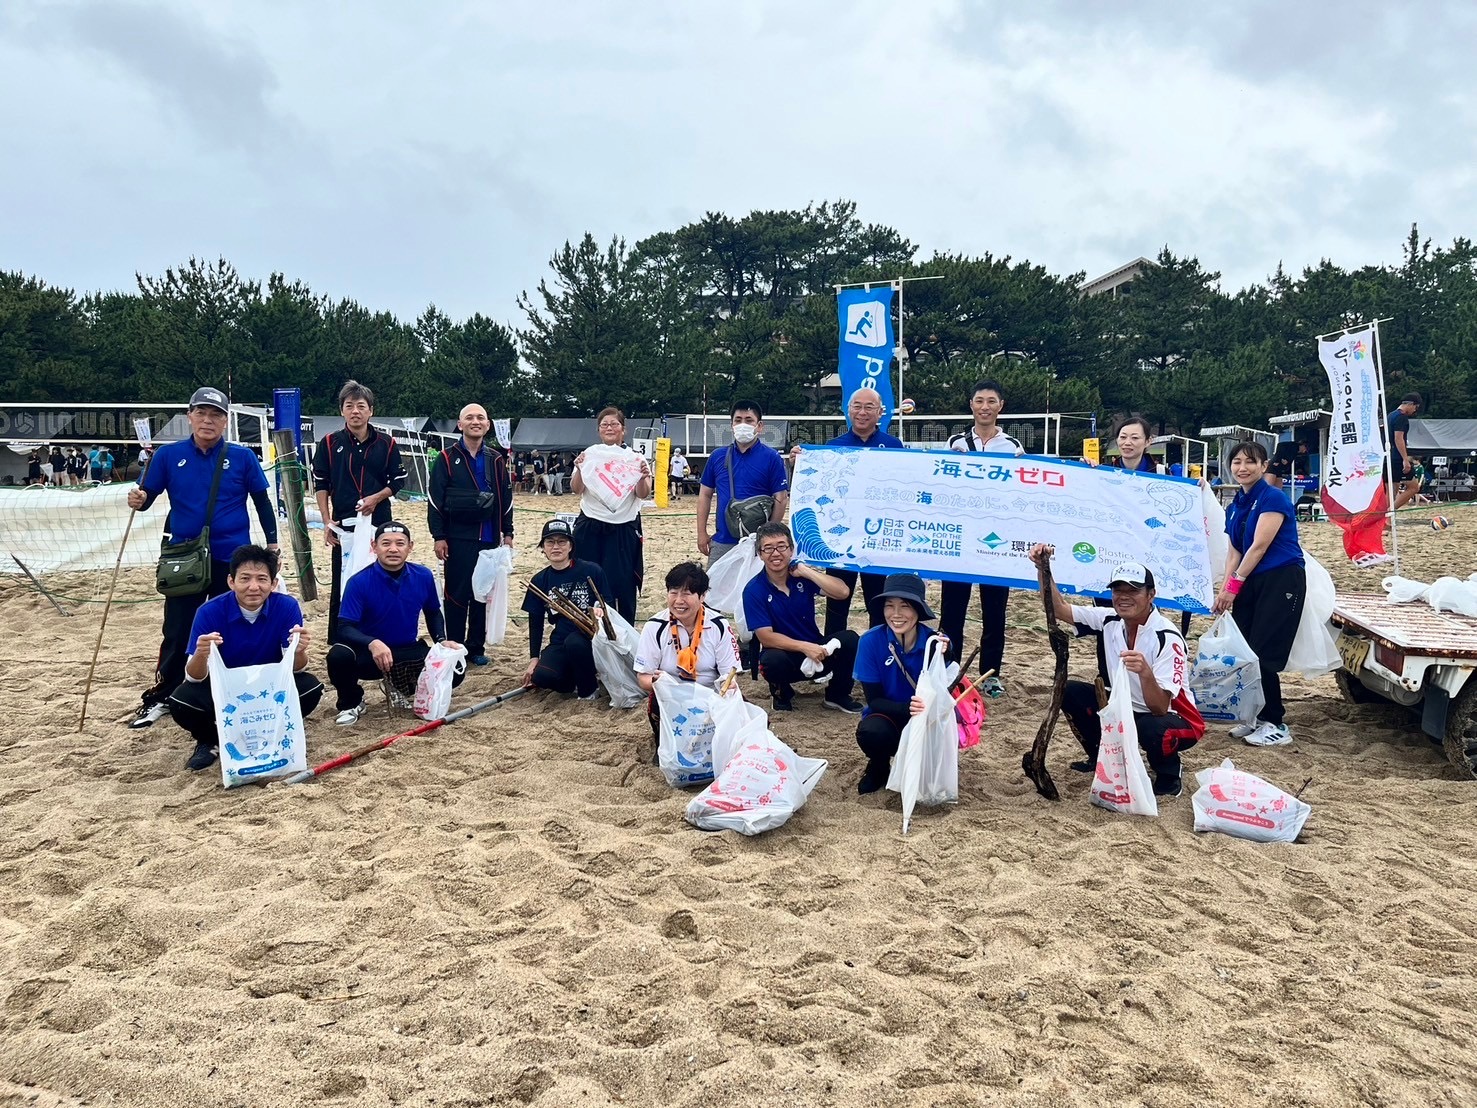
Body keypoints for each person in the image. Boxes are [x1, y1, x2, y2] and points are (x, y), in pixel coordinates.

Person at [126, 387, 278, 729]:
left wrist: (271, 544)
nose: (208, 420)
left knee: (231, 625)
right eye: (202, 413)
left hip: (231, 556)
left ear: (226, 420)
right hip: (184, 556)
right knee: (178, 627)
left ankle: (228, 685)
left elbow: (262, 503)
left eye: (216, 415)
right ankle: (166, 693)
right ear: (190, 415)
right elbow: (147, 495)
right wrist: (138, 497)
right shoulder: (167, 456)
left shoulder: (242, 457)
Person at [1029, 547, 1204, 798]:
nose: (1124, 597)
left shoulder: (1167, 637)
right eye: (1118, 590)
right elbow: (1060, 610)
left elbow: (1160, 707)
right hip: (1126, 707)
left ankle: (1168, 772)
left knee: (1152, 729)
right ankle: (1100, 755)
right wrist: (1042, 569)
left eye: (1133, 590)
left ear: (1151, 595)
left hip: (1176, 718)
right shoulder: (1110, 619)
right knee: (1070, 693)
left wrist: (1145, 673)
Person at [166, 544, 322, 771]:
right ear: (231, 581)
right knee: (181, 701)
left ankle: (273, 730)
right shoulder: (209, 611)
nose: (253, 587)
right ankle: (211, 740)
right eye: (245, 578)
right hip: (224, 689)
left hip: (267, 686)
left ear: (274, 583)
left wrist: (298, 651)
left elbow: (296, 669)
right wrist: (201, 654)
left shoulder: (287, 606)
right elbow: (194, 678)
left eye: (262, 579)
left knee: (310, 687)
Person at [1213, 440, 1306, 747]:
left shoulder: (1273, 498)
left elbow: (1259, 546)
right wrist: (1225, 590)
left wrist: (1234, 585)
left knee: (1264, 652)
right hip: (1249, 580)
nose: (1242, 468)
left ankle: (1275, 722)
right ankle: (1255, 716)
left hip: (1280, 578)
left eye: (1250, 462)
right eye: (1237, 462)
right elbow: (1234, 551)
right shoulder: (1235, 504)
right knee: (1245, 652)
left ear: (1264, 466)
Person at [327, 521, 462, 725]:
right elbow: (344, 627)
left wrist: (441, 641)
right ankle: (351, 702)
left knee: (454, 667)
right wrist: (372, 642)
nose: (393, 549)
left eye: (400, 543)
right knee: (338, 656)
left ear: (410, 547)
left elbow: (433, 612)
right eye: (386, 543)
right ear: (374, 546)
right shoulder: (358, 582)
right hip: (370, 655)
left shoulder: (423, 575)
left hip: (406, 651)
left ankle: (402, 688)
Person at [796, 391, 907, 638]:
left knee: (878, 602)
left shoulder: (894, 446)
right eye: (857, 406)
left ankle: (879, 656)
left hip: (877, 539)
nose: (863, 412)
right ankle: (833, 659)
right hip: (841, 538)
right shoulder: (832, 447)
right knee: (837, 601)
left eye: (870, 407)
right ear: (848, 409)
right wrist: (800, 462)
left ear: (881, 412)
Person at [938, 380, 1023, 698]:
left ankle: (991, 673)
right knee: (952, 610)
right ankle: (950, 668)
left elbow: (1022, 491)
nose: (984, 406)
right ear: (971, 405)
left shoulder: (1013, 447)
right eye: (979, 400)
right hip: (961, 539)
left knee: (995, 611)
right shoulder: (956, 442)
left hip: (996, 541)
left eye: (991, 401)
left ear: (1001, 405)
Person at [313, 379, 409, 641]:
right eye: (349, 406)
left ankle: (380, 632)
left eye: (361, 406)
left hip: (379, 523)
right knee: (343, 581)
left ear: (371, 410)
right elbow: (321, 482)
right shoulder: (330, 443)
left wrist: (376, 498)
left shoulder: (386, 443)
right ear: (342, 410)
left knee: (381, 577)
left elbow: (398, 481)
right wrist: (325, 521)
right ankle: (339, 638)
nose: (355, 411)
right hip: (343, 523)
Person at [742, 522, 862, 714]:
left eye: (781, 546)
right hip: (786, 655)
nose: (776, 553)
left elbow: (842, 592)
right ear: (760, 553)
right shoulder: (754, 590)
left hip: (818, 651)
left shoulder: (802, 578)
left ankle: (837, 695)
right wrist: (805, 647)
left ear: (791, 549)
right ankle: (782, 694)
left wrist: (807, 571)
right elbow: (766, 637)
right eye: (768, 548)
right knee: (771, 660)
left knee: (850, 639)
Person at [428, 403, 514, 667]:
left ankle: (476, 645)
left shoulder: (496, 459)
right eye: (469, 418)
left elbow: (506, 498)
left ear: (487, 425)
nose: (475, 421)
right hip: (457, 537)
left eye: (480, 418)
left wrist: (507, 532)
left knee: (482, 592)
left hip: (488, 537)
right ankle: (455, 642)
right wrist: (438, 535)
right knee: (456, 593)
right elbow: (434, 500)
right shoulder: (445, 458)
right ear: (460, 424)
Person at [852, 573, 946, 795]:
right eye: (889, 606)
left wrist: (947, 651)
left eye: (905, 606)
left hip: (926, 719)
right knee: (872, 732)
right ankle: (879, 764)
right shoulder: (870, 641)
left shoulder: (934, 643)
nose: (896, 615)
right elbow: (873, 700)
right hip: (889, 716)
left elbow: (946, 686)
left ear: (918, 610)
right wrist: (907, 709)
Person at [635, 562, 743, 738]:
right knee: (655, 700)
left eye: (686, 593)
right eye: (673, 592)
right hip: (672, 696)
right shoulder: (655, 626)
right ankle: (662, 741)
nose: (679, 601)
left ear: (702, 596)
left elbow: (729, 673)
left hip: (710, 695)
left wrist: (728, 686)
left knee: (743, 710)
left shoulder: (718, 625)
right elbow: (643, 677)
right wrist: (659, 682)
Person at [570, 407, 652, 624]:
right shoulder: (589, 454)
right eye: (604, 424)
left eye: (614, 424)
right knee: (585, 578)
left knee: (623, 583)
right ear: (598, 430)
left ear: (623, 429)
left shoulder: (634, 458)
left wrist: (643, 478)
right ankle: (585, 627)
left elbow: (643, 493)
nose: (609, 427)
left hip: (623, 526)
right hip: (590, 523)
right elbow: (577, 489)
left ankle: (623, 630)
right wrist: (578, 469)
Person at [521, 518, 611, 701]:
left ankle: (588, 691)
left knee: (575, 643)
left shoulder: (591, 570)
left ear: (571, 546)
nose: (556, 547)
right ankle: (576, 680)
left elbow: (607, 602)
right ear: (543, 548)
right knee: (542, 676)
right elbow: (535, 622)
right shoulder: (539, 580)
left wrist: (600, 609)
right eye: (550, 542)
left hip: (590, 637)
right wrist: (533, 659)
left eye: (562, 541)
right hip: (560, 640)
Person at [696, 400, 790, 565]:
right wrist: (701, 533)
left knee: (756, 589)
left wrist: (768, 536)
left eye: (749, 420)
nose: (743, 424)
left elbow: (781, 498)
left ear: (759, 426)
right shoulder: (717, 456)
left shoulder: (772, 457)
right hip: (723, 539)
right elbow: (705, 495)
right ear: (731, 425)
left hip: (758, 543)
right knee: (715, 589)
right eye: (738, 420)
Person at [1387, 392, 1423, 511]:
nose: (1415, 411)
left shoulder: (1390, 415)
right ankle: (1388, 512)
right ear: (1411, 404)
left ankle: (1384, 518)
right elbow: (1399, 438)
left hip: (1387, 456)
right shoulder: (1401, 417)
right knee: (1413, 487)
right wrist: (1405, 459)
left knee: (1392, 489)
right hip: (1397, 457)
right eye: (1415, 408)